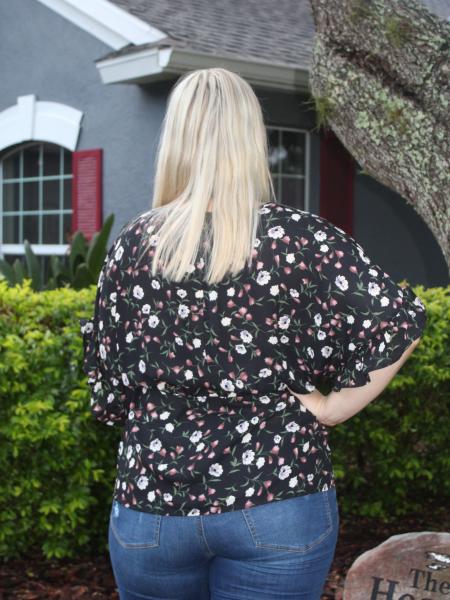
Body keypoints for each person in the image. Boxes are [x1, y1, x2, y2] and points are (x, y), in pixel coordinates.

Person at [79, 67, 427, 600]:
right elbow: (398, 321)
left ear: (176, 138)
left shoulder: (132, 246)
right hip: (279, 500)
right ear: (250, 137)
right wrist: (335, 408)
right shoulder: (301, 239)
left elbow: (107, 387)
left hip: (153, 509)